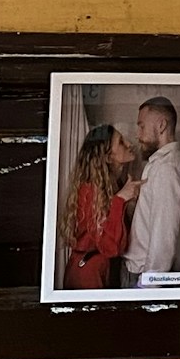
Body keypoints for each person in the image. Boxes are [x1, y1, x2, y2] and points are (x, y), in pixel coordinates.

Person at [59, 122, 138, 290]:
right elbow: (110, 247)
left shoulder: (107, 186)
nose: (130, 144)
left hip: (94, 270)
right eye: (121, 142)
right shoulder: (90, 191)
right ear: (108, 157)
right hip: (88, 275)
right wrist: (120, 200)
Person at [124, 95, 180, 283]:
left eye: (142, 126)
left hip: (142, 276)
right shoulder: (161, 165)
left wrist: (146, 289)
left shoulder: (167, 169)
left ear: (161, 125)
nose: (138, 135)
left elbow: (164, 239)